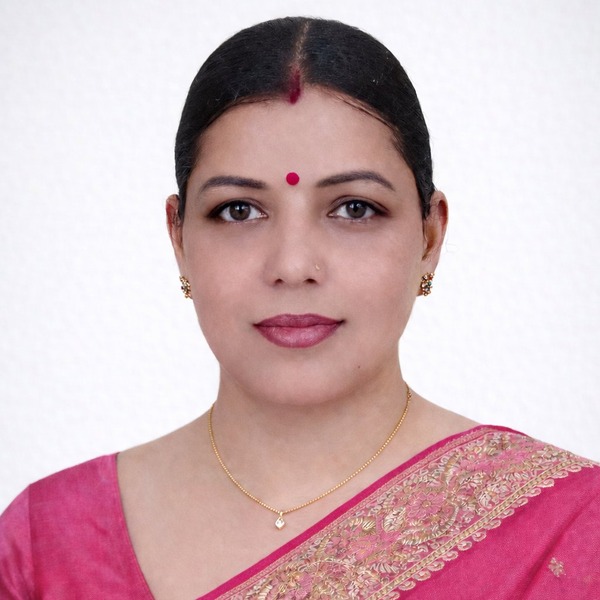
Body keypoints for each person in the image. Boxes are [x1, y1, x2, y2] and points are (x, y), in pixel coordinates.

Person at [1, 16, 598, 600]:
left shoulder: (568, 528)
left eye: (354, 209)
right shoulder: (46, 544)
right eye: (238, 210)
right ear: (178, 238)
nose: (292, 265)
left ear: (430, 236)